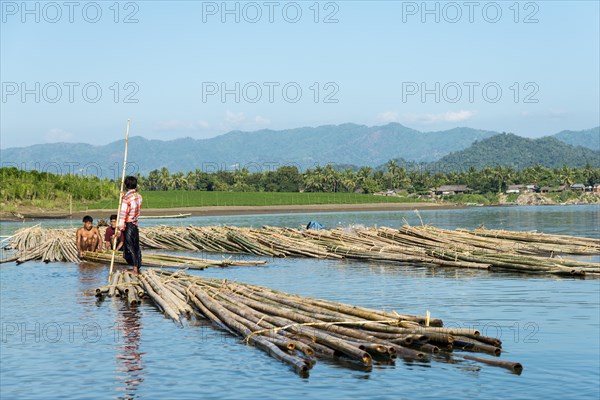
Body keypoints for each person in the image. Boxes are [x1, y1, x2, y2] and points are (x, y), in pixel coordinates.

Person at [117, 176, 143, 274]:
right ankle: (137, 266)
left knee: (129, 246)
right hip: (135, 225)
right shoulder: (139, 196)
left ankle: (134, 269)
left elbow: (123, 213)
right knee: (136, 246)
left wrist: (120, 227)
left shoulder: (126, 198)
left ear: (126, 185)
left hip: (129, 224)